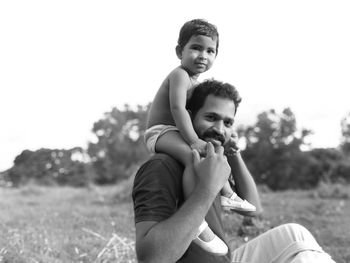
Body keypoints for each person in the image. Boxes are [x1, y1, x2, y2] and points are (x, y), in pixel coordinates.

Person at [132, 79, 336, 263]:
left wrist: (233, 153)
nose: (220, 130)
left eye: (228, 122)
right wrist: (207, 189)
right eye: (211, 117)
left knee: (295, 234)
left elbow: (253, 209)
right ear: (189, 117)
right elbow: (152, 258)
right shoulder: (162, 166)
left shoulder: (213, 163)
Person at [144, 19, 255, 255]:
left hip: (173, 131)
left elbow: (255, 209)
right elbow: (178, 109)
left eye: (210, 50)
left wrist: (231, 150)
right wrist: (194, 139)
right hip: (161, 132)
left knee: (201, 156)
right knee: (191, 155)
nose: (202, 55)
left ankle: (227, 194)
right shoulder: (180, 75)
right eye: (196, 48)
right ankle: (197, 223)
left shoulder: (195, 82)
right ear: (179, 51)